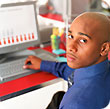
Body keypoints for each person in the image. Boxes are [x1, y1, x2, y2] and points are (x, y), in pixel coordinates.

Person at [23, 12, 110, 109]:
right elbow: (71, 72)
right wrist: (43, 64)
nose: (70, 47)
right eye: (70, 36)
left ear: (104, 49)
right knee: (58, 97)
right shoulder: (99, 67)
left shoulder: (75, 104)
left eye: (83, 40)